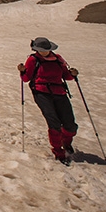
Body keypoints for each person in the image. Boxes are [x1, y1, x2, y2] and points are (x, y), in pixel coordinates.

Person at [17, 37, 79, 165]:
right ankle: (58, 150)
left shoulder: (58, 59)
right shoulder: (32, 60)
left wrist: (72, 74)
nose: (43, 52)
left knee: (70, 124)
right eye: (41, 50)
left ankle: (66, 142)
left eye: (45, 50)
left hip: (60, 93)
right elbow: (26, 78)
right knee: (54, 122)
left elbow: (66, 76)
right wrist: (22, 72)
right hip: (41, 93)